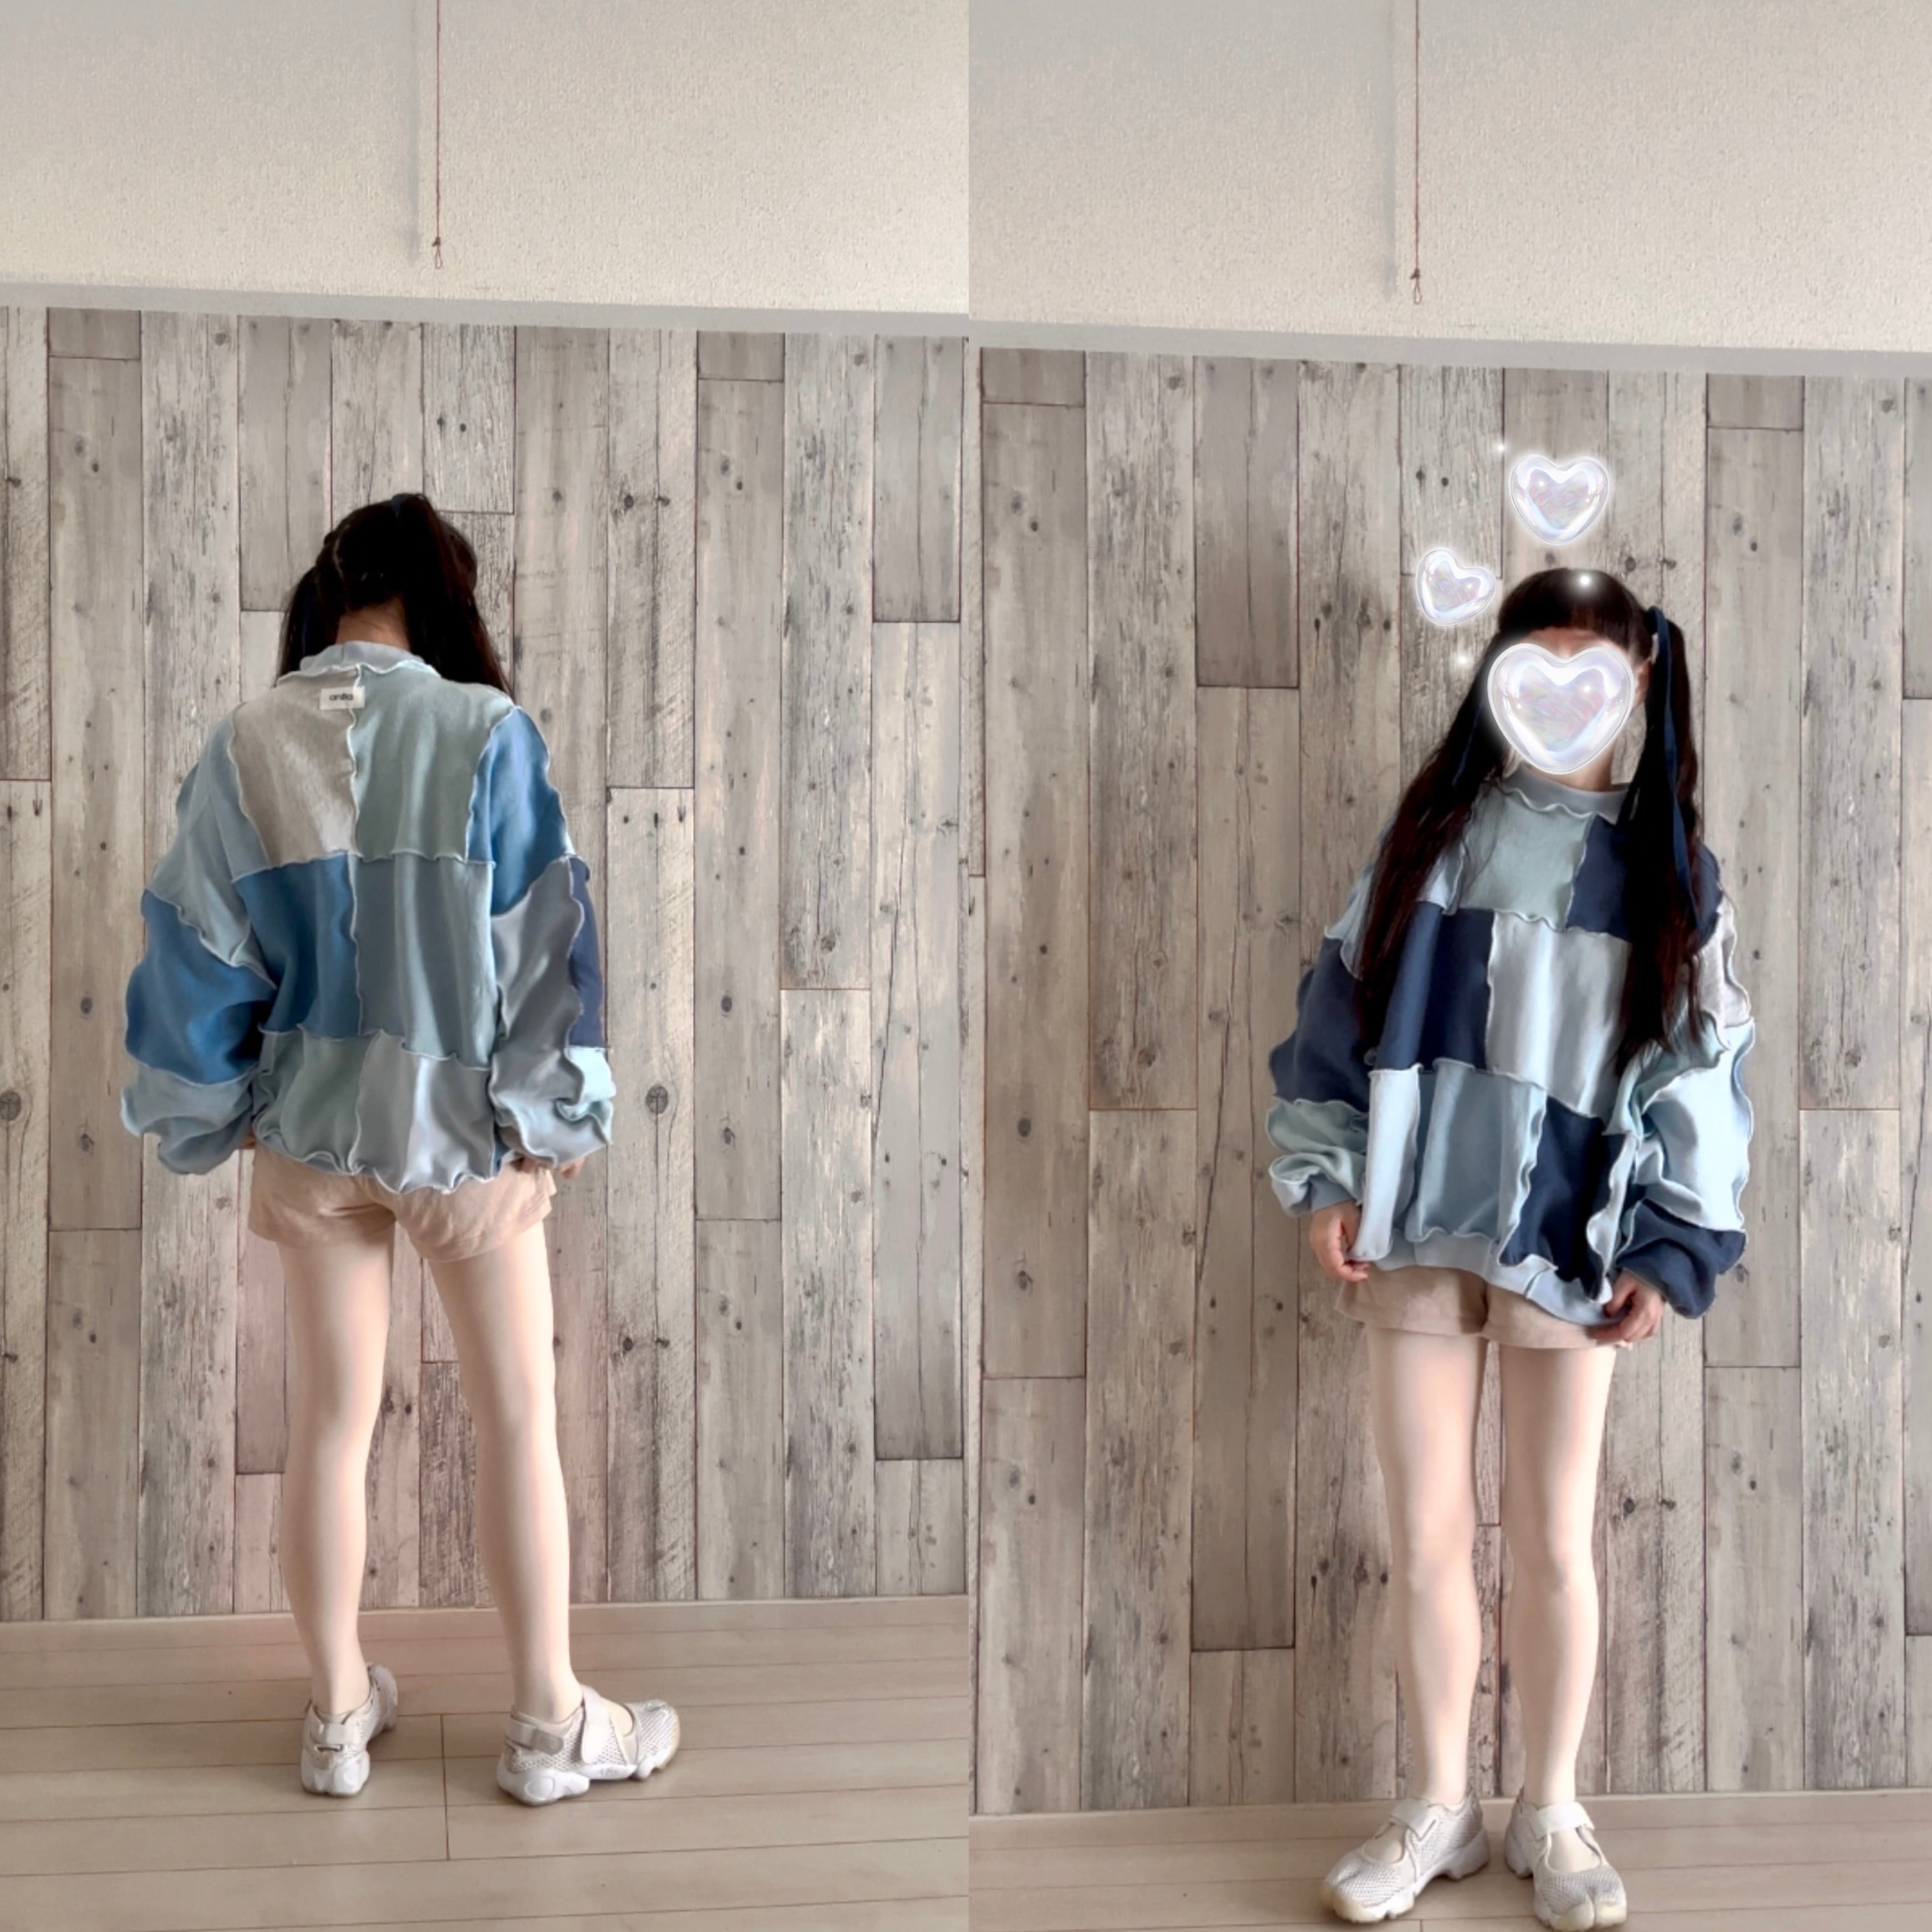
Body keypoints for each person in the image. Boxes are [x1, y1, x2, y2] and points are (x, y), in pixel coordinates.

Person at [120, 494, 678, 1807]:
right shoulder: (483, 729)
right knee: (516, 1414)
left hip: (311, 1136)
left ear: (326, 596)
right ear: (439, 595)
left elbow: (197, 957)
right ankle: (549, 1721)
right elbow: (544, 935)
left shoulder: (247, 742)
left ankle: (334, 1717)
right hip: (463, 1137)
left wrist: (206, 1114)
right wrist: (554, 1116)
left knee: (328, 1422)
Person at [1269, 568, 1753, 1930]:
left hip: (1569, 1231)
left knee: (1550, 1532)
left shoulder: (1668, 873)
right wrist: (1325, 1173)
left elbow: (1702, 1067)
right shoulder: (1432, 836)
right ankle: (1438, 1806)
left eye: (1587, 673)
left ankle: (1550, 1805)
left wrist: (1667, 1242)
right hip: (1417, 1217)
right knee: (1424, 1526)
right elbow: (1339, 999)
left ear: (1638, 681)